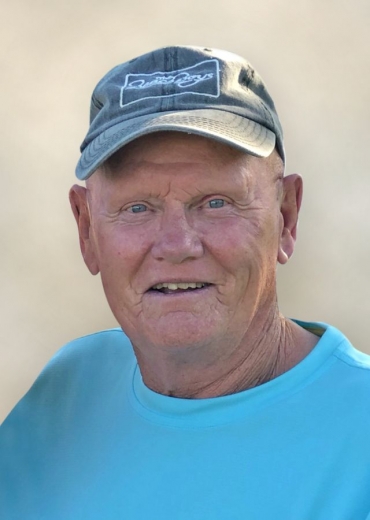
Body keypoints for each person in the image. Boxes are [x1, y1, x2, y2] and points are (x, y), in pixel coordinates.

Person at [1, 45, 370, 520]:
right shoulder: (68, 394)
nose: (177, 244)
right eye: (138, 208)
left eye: (216, 202)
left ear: (287, 215)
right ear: (86, 229)